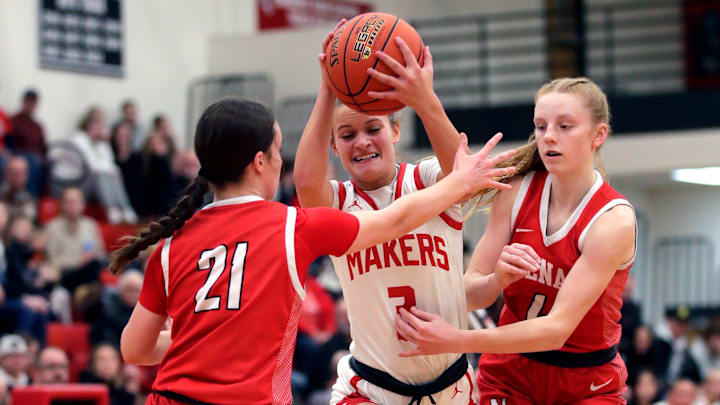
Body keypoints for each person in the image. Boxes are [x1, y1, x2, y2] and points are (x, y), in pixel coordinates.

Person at [113, 98, 515, 405]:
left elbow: (134, 349)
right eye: (277, 150)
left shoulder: (171, 244)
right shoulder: (291, 226)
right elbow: (394, 221)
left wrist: (202, 340)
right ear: (260, 162)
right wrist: (461, 181)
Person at [294, 24, 504, 405]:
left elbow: (459, 167)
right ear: (334, 147)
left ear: (394, 131)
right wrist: (328, 87)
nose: (361, 141)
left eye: (373, 128)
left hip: (452, 387)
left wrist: (425, 99)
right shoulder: (338, 203)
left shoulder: (425, 180)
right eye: (346, 134)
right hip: (372, 390)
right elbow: (306, 181)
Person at [396, 77, 638, 405]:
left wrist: (457, 339)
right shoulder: (518, 191)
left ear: (599, 135)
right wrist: (496, 279)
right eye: (541, 126)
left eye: (565, 126)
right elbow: (467, 295)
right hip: (511, 373)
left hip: (587, 381)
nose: (549, 136)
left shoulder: (612, 220)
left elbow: (556, 330)